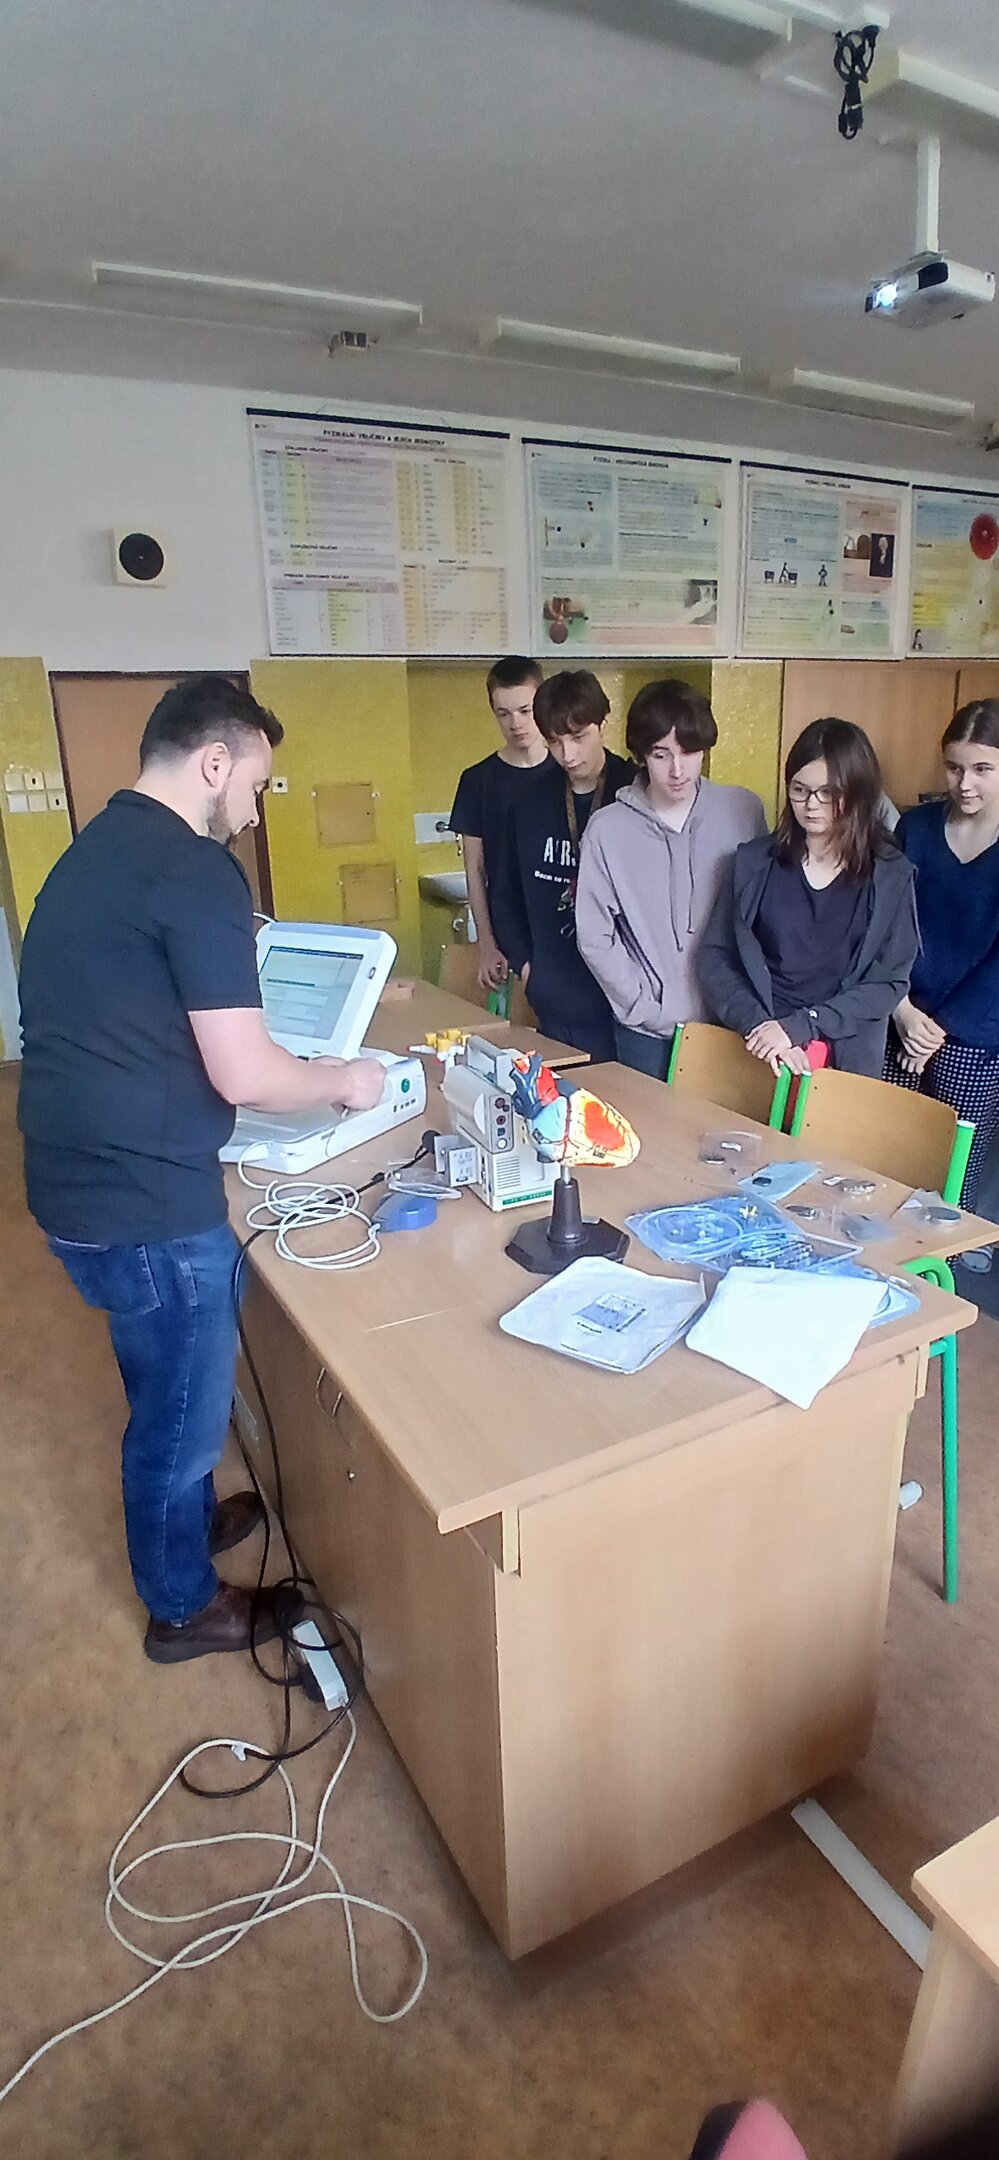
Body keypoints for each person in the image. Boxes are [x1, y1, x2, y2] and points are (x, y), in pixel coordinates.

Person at [17, 677, 385, 1665]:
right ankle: (181, 1607)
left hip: (74, 1184)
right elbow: (247, 1074)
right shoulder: (193, 870)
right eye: (255, 785)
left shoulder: (94, 853)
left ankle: (182, 1524)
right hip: (145, 1204)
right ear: (214, 762)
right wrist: (345, 1080)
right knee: (176, 1422)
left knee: (160, 1378)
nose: (254, 811)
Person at [698, 717, 918, 1078]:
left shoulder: (892, 874)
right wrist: (760, 1026)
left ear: (859, 792)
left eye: (828, 793)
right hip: (759, 1047)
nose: (811, 805)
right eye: (799, 790)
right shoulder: (753, 862)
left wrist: (800, 1027)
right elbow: (715, 958)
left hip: (845, 1057)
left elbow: (888, 983)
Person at [575, 678, 766, 1078]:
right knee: (646, 1120)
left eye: (689, 752)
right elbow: (594, 935)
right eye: (661, 755)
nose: (678, 770)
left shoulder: (743, 810)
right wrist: (642, 1005)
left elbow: (762, 911)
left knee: (724, 1121)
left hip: (732, 1025)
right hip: (647, 1032)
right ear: (641, 755)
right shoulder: (607, 830)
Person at [886, 698, 999, 1219]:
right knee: (885, 1160)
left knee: (951, 1176)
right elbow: (883, 923)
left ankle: (948, 1264)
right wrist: (903, 1010)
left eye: (982, 769)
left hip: (973, 1036)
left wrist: (937, 1030)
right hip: (899, 1017)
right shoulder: (917, 828)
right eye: (954, 768)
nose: (964, 783)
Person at [488, 668, 632, 1060]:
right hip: (554, 1001)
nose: (568, 755)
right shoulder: (528, 801)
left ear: (603, 724)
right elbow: (504, 892)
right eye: (554, 741)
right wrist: (528, 967)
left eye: (579, 737)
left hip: (623, 1010)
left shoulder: (634, 792)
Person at [448, 656, 549, 991]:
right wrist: (487, 944)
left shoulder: (568, 771)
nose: (515, 723)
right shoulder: (478, 781)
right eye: (503, 714)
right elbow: (475, 870)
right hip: (508, 934)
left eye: (525, 711)